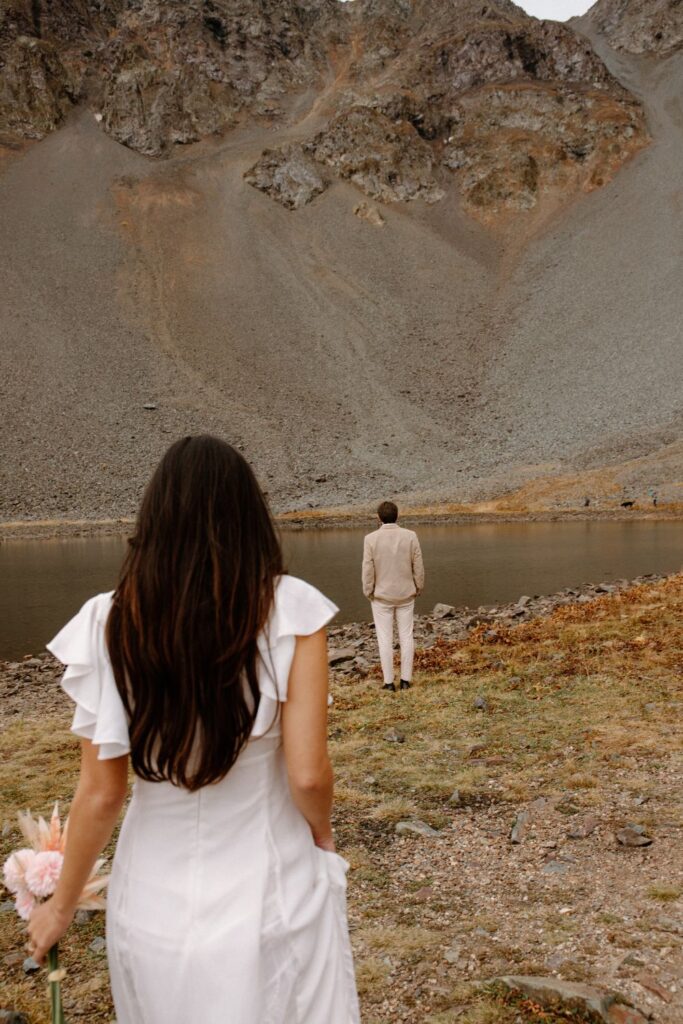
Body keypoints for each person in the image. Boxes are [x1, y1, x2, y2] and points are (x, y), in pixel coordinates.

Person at [27, 435, 360, 1024]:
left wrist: (60, 905)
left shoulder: (108, 620)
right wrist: (323, 835)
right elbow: (308, 774)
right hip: (268, 885)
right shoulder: (294, 609)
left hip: (150, 897)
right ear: (249, 516)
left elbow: (101, 794)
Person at [361, 501, 424, 692]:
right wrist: (418, 586)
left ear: (378, 518)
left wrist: (368, 591)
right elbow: (418, 564)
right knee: (406, 636)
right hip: (406, 594)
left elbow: (368, 568)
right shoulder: (410, 536)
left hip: (381, 597)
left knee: (384, 639)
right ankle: (406, 680)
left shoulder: (370, 539)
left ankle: (388, 682)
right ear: (397, 516)